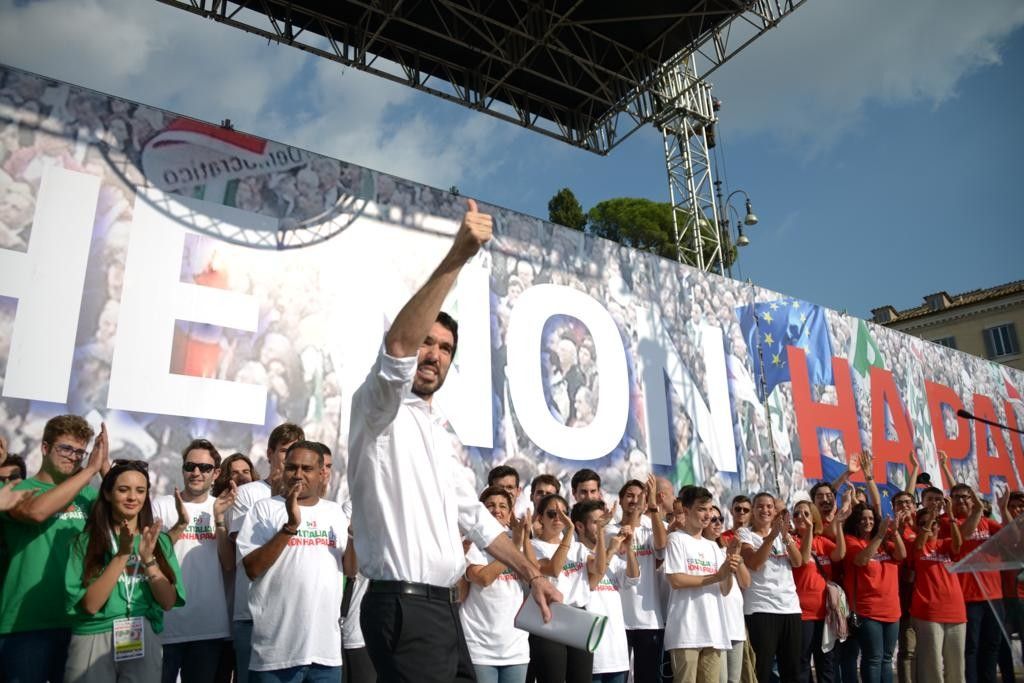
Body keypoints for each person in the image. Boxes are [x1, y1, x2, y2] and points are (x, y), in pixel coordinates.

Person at [347, 199, 559, 682]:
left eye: (445, 348)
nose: (434, 354)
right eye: (427, 341)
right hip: (403, 606)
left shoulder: (439, 432)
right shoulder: (377, 406)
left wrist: (531, 574)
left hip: (443, 611)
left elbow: (477, 519)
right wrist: (459, 255)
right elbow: (397, 349)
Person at [0, 416, 107, 683]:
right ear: (45, 448)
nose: (73, 457)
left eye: (80, 452)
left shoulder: (88, 497)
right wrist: (89, 471)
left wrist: (104, 468)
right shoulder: (17, 489)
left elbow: (127, 515)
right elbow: (37, 512)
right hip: (26, 623)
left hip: (77, 622)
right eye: (66, 448)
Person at [63, 460, 185, 682]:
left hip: (143, 633)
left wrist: (148, 560)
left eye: (140, 491)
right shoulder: (84, 542)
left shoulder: (159, 542)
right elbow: (91, 605)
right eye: (123, 489)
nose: (132, 497)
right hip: (94, 634)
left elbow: (167, 602)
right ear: (107, 494)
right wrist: (122, 555)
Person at [236, 441, 347, 682]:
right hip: (275, 656)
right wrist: (290, 527)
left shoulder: (335, 513)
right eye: (291, 467)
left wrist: (355, 537)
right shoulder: (264, 509)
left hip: (325, 656)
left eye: (306, 469)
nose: (297, 474)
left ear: (322, 473)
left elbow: (350, 568)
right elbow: (252, 569)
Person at [152, 439, 237, 683]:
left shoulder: (223, 508)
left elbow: (229, 564)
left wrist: (219, 520)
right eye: (190, 466)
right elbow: (150, 557)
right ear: (183, 469)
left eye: (204, 467)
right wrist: (180, 525)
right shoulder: (162, 505)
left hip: (208, 628)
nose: (196, 472)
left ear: (216, 473)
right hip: (166, 625)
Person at [227, 423, 304, 683]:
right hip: (252, 616)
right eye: (284, 451)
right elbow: (246, 548)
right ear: (269, 454)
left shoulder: (310, 501)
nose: (290, 457)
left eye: (296, 450)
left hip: (294, 617)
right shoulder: (248, 494)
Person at [665, 488, 741, 683]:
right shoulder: (676, 539)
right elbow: (676, 580)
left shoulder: (713, 546)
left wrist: (729, 566)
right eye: (701, 509)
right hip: (686, 632)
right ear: (686, 511)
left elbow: (725, 589)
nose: (708, 515)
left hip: (714, 631)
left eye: (709, 509)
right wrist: (716, 576)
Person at [460, 486, 532, 683]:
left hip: (515, 646)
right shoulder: (471, 544)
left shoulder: (518, 540)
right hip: (479, 647)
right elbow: (484, 578)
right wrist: (513, 549)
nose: (496, 510)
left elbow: (533, 576)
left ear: (510, 514)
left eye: (502, 506)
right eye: (490, 506)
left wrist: (523, 540)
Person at [529, 494, 602, 683]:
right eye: (552, 513)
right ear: (540, 518)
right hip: (549, 618)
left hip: (578, 617)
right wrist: (570, 532)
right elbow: (553, 569)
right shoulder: (533, 546)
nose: (557, 518)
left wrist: (601, 533)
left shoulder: (578, 548)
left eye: (562, 514)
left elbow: (599, 568)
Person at [739, 492, 803, 683]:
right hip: (761, 608)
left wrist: (784, 536)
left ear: (775, 511)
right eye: (760, 506)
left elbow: (798, 562)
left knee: (792, 671)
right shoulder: (745, 534)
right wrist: (771, 537)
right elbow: (754, 563)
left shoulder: (784, 536)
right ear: (753, 510)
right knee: (761, 670)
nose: (765, 510)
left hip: (790, 608)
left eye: (769, 506)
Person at [611, 476, 668, 683]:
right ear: (620, 499)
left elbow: (661, 548)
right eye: (629, 496)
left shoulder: (652, 527)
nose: (634, 500)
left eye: (639, 496)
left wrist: (653, 506)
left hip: (649, 619)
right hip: (618, 620)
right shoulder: (609, 530)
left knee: (648, 679)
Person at [842, 503, 906, 683]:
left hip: (892, 610)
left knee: (887, 659)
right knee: (873, 658)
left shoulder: (886, 543)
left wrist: (894, 532)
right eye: (863, 519)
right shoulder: (851, 540)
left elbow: (901, 555)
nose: (867, 522)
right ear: (855, 522)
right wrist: (879, 535)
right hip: (868, 611)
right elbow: (861, 560)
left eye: (871, 518)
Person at [947, 482, 1004, 683]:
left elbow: (1013, 537)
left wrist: (1004, 509)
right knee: (971, 647)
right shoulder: (949, 522)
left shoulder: (988, 523)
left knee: (992, 645)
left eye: (966, 496)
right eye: (957, 497)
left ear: (973, 500)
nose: (961, 500)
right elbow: (963, 536)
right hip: (968, 597)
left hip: (994, 595)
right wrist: (978, 511)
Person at [577, 500, 638, 683]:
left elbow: (633, 578)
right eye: (597, 522)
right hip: (590, 653)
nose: (602, 527)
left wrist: (630, 548)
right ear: (580, 526)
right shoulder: (575, 553)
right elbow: (592, 583)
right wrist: (610, 550)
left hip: (617, 654)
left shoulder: (614, 558)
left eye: (604, 522)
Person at [909, 504, 965, 683]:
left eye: (934, 523)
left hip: (956, 610)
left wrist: (951, 515)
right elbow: (919, 544)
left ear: (940, 527)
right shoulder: (916, 545)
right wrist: (932, 517)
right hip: (929, 611)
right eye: (924, 523)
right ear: (918, 527)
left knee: (956, 665)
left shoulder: (946, 544)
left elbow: (958, 544)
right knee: (932, 665)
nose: (931, 526)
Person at [790, 499, 845, 683]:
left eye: (805, 513)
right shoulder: (791, 540)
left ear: (813, 517)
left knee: (826, 663)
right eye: (796, 514)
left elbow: (839, 554)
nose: (800, 517)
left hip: (825, 613)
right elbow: (804, 560)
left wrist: (839, 525)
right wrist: (808, 532)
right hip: (802, 613)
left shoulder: (821, 541)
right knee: (802, 664)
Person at [703, 504, 751, 683]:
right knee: (720, 680)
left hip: (735, 623)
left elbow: (745, 582)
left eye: (720, 519)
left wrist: (735, 557)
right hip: (715, 625)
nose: (718, 523)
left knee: (734, 680)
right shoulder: (699, 548)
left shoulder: (726, 549)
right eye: (713, 520)